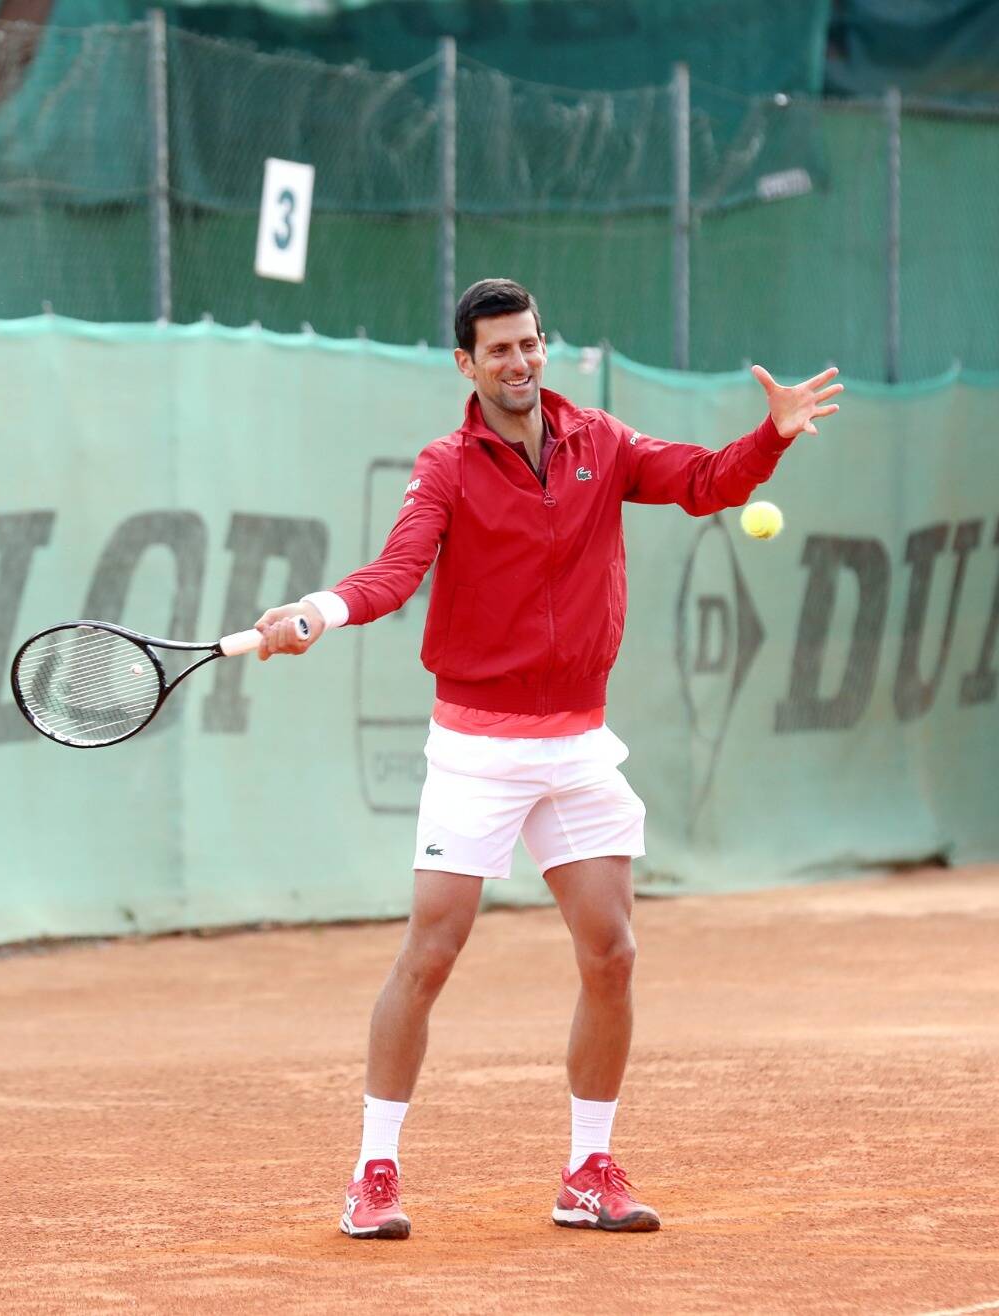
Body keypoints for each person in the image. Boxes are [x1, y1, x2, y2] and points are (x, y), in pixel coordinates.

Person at [252, 278, 840, 1240]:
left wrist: (769, 436)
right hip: (478, 749)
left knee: (611, 955)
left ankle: (587, 1169)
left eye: (529, 345)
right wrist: (316, 613)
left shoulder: (598, 443)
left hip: (575, 745)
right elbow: (397, 572)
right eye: (499, 352)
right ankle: (374, 1172)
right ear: (466, 366)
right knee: (431, 956)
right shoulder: (445, 467)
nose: (519, 363)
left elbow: (704, 484)